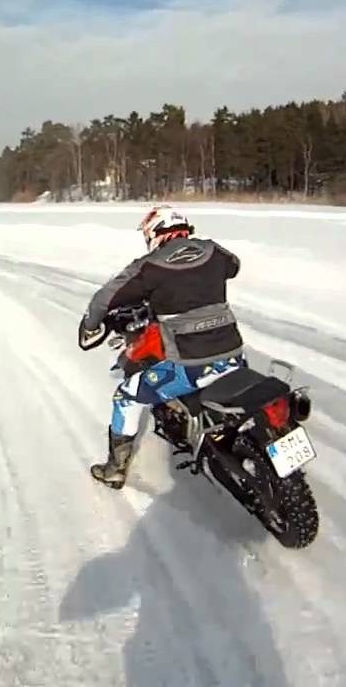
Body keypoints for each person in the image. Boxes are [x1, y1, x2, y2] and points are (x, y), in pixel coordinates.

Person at [77, 206, 247, 489]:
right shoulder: (213, 251)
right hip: (233, 353)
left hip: (189, 363)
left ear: (154, 233)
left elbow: (103, 300)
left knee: (126, 398)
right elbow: (234, 266)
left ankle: (115, 469)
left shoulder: (150, 266)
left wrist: (91, 325)